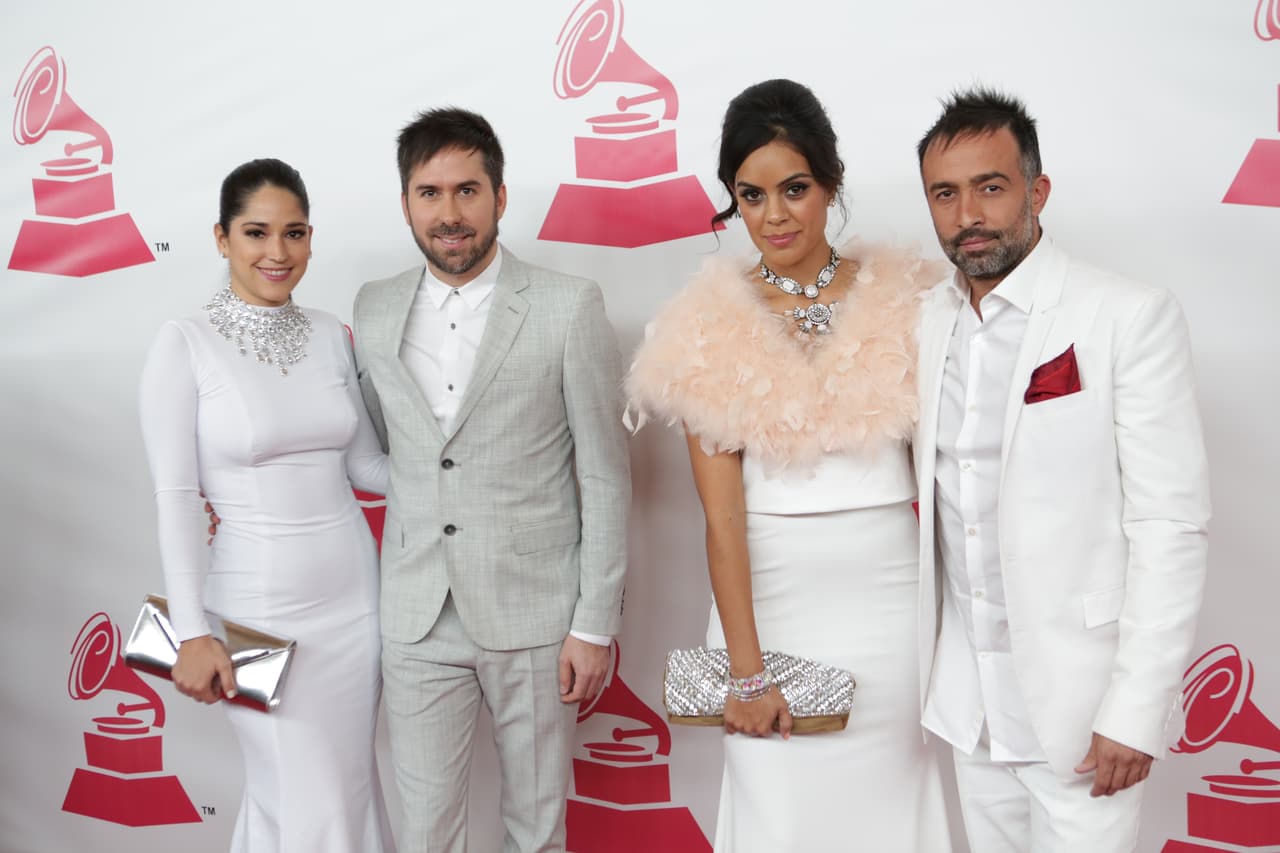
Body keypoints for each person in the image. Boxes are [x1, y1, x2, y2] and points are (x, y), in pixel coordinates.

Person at [626, 79, 953, 852]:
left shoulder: (908, 301)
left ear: (830, 184)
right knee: (782, 817)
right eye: (752, 194)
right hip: (772, 601)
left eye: (795, 189)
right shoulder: (703, 326)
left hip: (889, 602)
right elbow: (722, 517)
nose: (774, 215)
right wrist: (745, 670)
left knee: (889, 814)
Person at [911, 88, 1211, 852]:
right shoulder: (925, 323)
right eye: (946, 193)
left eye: (991, 186)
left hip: (1082, 713)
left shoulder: (1125, 316)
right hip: (970, 708)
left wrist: (1136, 710)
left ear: (1036, 192)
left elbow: (1169, 526)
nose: (968, 213)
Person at [351, 108, 630, 853]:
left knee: (536, 831)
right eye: (429, 192)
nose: (450, 213)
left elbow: (604, 474)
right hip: (415, 614)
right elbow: (391, 447)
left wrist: (593, 622)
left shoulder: (569, 305)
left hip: (536, 616)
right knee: (425, 833)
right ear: (407, 201)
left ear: (501, 197)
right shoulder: (374, 308)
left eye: (468, 190)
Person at [139, 158, 394, 852]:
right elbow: (176, 495)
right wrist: (192, 630)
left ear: (312, 238)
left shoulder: (329, 333)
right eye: (256, 232)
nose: (276, 253)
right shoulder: (184, 343)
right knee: (302, 790)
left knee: (339, 790)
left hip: (356, 602)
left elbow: (368, 467)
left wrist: (473, 469)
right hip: (258, 609)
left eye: (294, 233)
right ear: (221, 238)